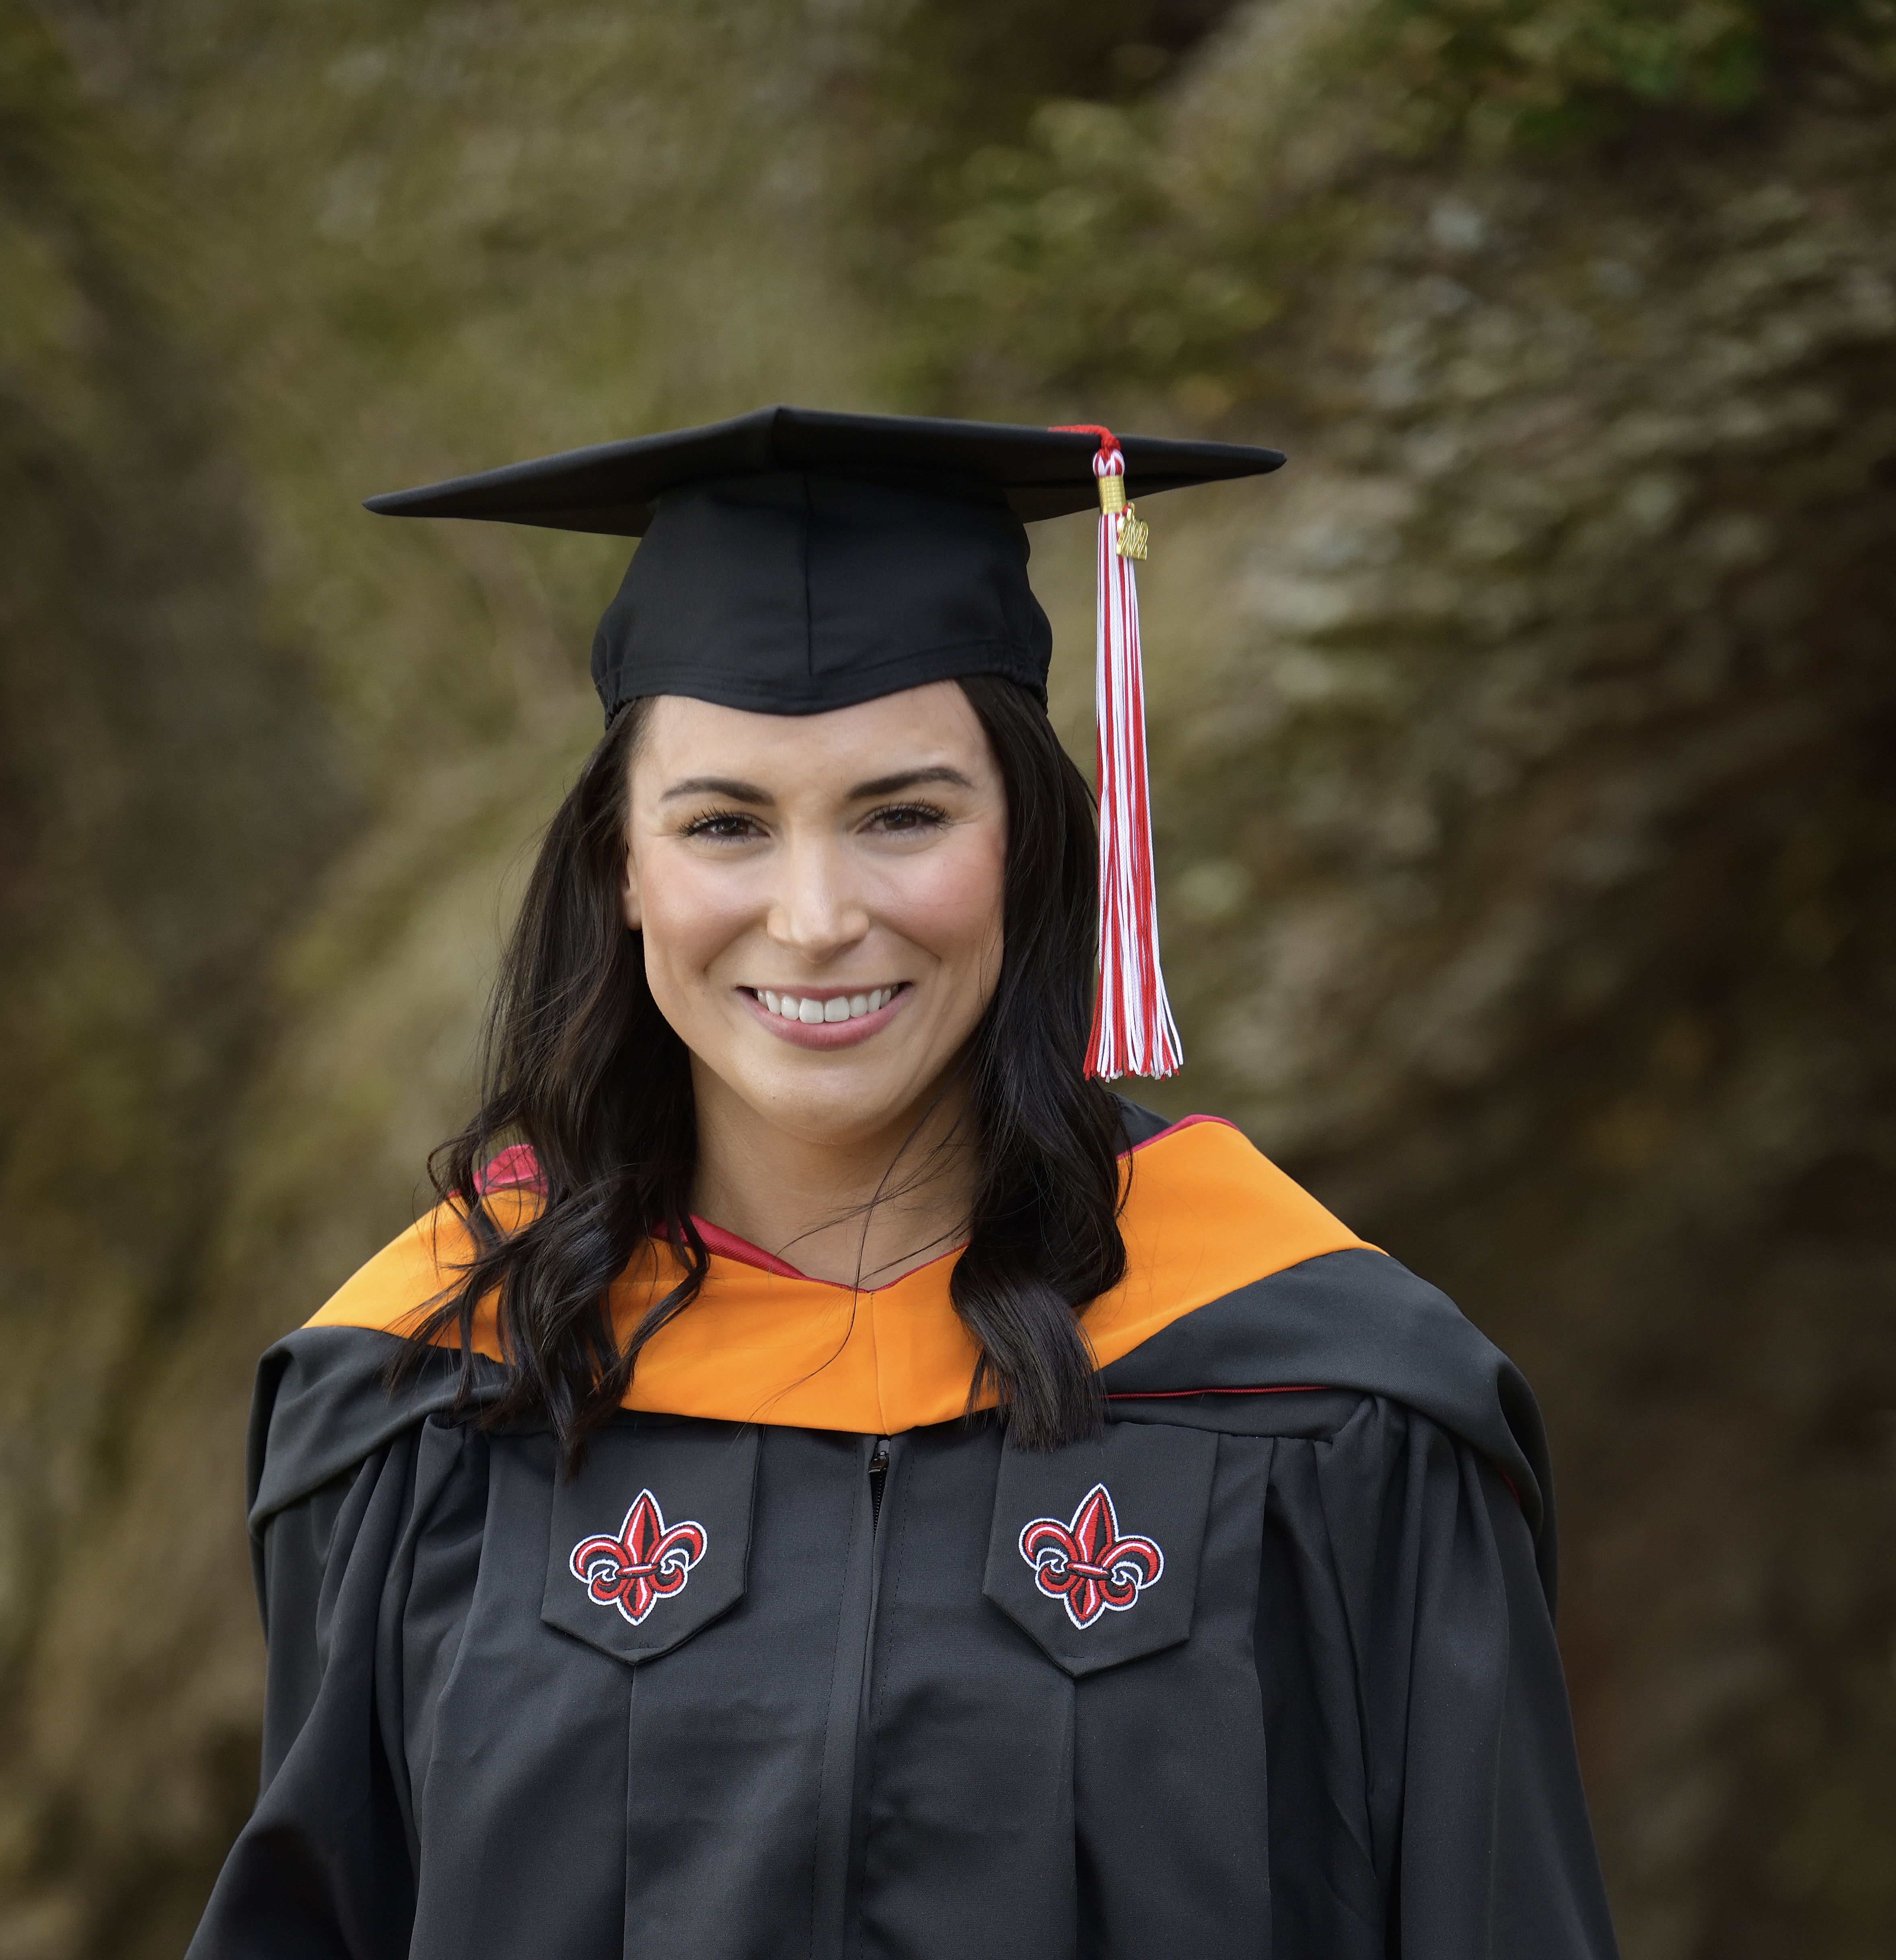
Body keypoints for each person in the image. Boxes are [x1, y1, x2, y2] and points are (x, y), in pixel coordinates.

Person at [187, 407, 1618, 1960]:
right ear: (619, 862)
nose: (814, 919)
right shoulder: (422, 1400)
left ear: (1032, 838)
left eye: (905, 816)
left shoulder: (1334, 1401)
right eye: (724, 822)